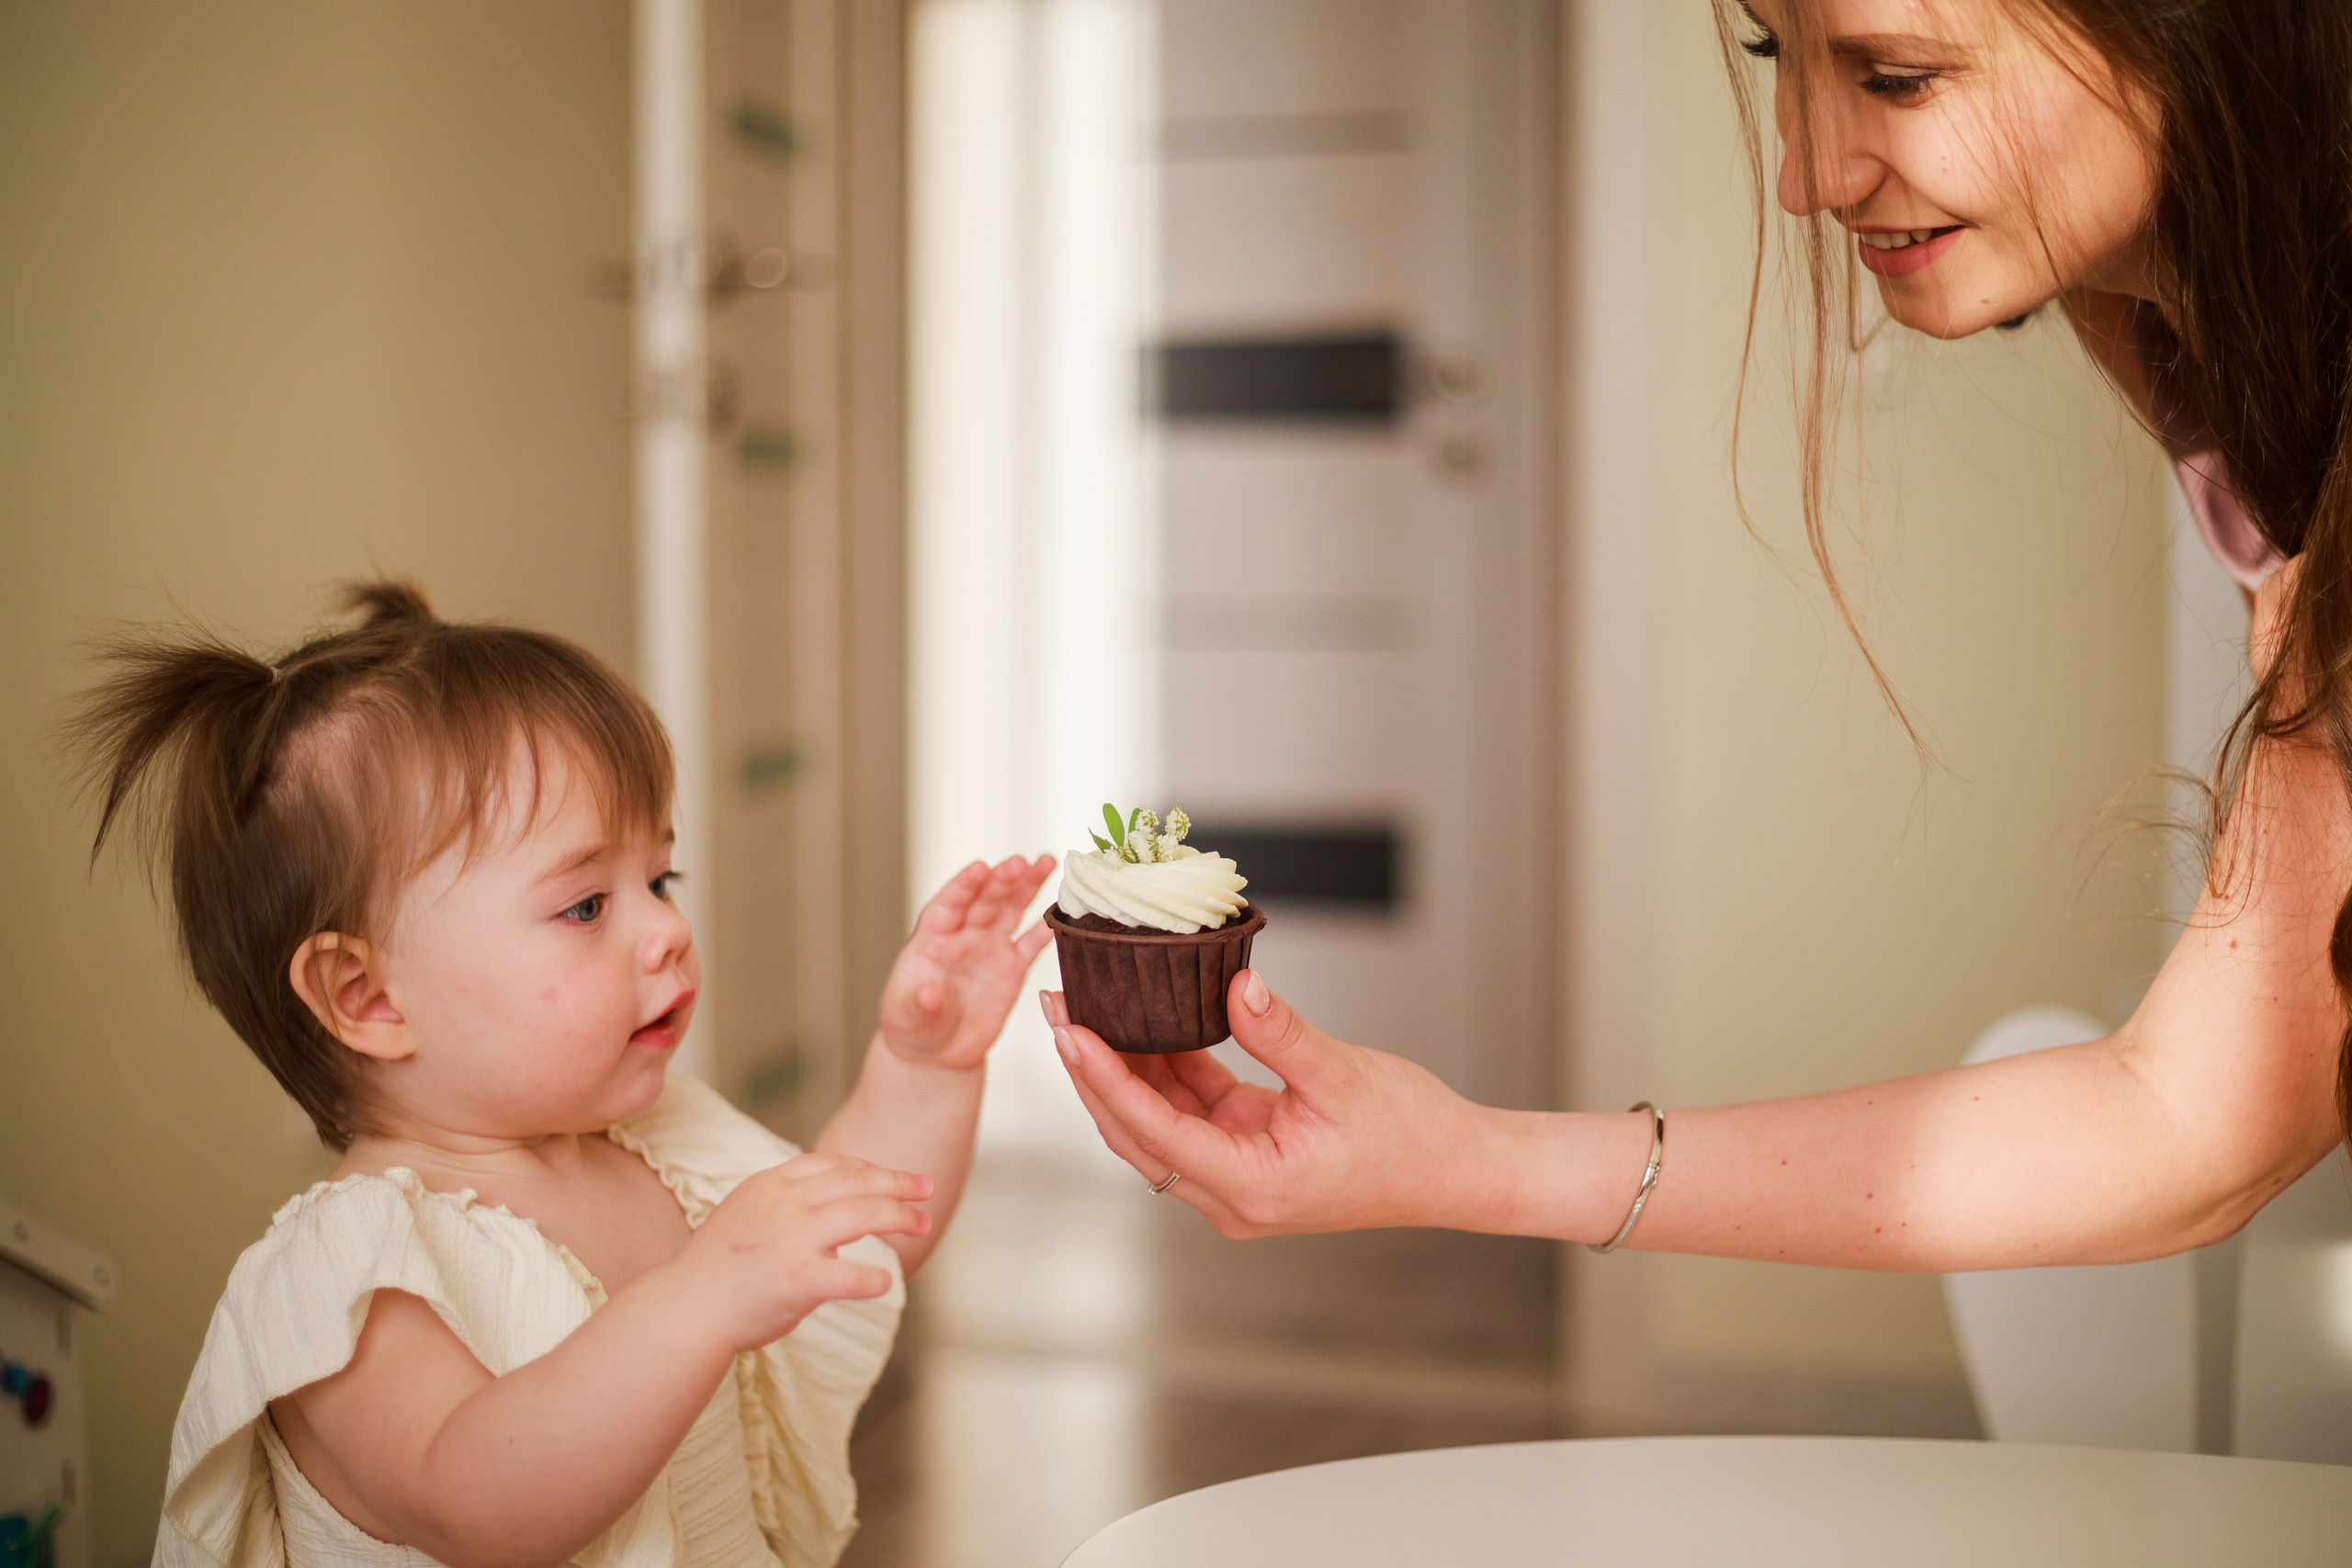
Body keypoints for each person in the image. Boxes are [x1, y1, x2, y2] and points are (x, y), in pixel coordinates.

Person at [1044, 0, 2352, 1269]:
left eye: (1898, 76)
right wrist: (1457, 1158)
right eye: (1773, 53)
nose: (1811, 172)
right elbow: (2196, 1108)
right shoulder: (2175, 323)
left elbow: (2206, 1119)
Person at [84, 582, 1055, 1567]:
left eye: (660, 879)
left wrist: (923, 1066)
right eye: (587, 905)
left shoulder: (657, 1144)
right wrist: (703, 1293)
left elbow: (849, 1237)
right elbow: (473, 1503)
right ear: (367, 997)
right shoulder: (349, 1275)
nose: (669, 930)